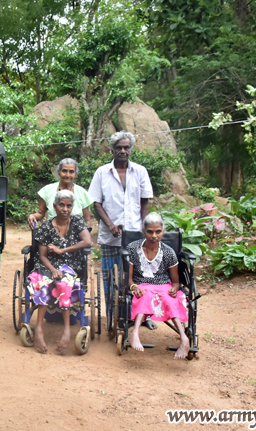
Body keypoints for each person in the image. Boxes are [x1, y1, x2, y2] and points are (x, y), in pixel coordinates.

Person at [88, 131, 154, 327]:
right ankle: (113, 319)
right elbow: (97, 203)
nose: (123, 151)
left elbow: (145, 202)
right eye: (119, 147)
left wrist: (144, 228)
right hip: (110, 237)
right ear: (112, 149)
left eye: (126, 147)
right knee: (111, 279)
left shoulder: (140, 171)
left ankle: (142, 318)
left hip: (135, 235)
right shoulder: (102, 172)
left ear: (131, 149)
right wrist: (110, 225)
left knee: (138, 277)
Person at [30, 190, 92, 354]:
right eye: (62, 205)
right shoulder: (46, 227)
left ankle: (66, 330)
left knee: (64, 285)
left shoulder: (77, 222)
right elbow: (42, 256)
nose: (65, 209)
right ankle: (39, 329)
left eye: (69, 206)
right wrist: (53, 270)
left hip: (70, 266)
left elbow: (87, 241)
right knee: (43, 284)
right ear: (54, 206)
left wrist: (62, 250)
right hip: (47, 266)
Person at [126, 213, 190, 360]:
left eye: (158, 231)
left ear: (163, 231)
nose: (154, 235)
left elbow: (175, 281)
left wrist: (175, 288)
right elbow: (128, 279)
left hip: (163, 285)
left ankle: (184, 338)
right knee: (145, 295)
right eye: (150, 231)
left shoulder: (168, 252)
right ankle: (135, 332)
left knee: (171, 299)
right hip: (141, 284)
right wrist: (134, 287)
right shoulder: (132, 249)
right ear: (144, 231)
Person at [28, 158, 94, 229]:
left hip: (76, 237)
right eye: (64, 171)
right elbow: (40, 213)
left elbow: (87, 220)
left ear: (75, 174)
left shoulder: (82, 193)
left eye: (71, 172)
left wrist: (88, 238)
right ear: (59, 172)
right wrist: (33, 216)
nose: (67, 175)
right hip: (52, 235)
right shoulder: (47, 190)